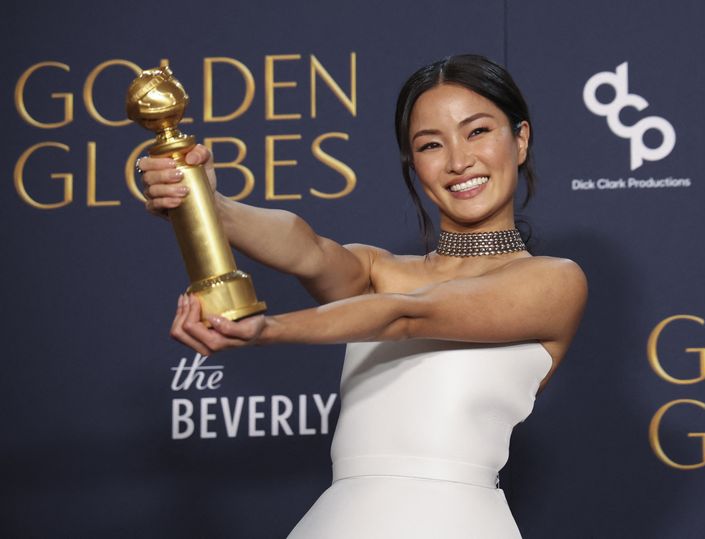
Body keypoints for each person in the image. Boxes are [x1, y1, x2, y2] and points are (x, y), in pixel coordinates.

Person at [139, 54, 586, 539]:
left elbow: (407, 317)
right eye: (431, 144)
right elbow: (307, 251)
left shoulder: (554, 282)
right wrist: (205, 204)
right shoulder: (380, 270)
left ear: (520, 140)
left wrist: (269, 329)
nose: (459, 161)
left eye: (477, 131)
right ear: (413, 164)